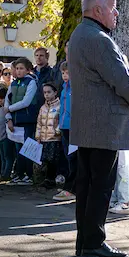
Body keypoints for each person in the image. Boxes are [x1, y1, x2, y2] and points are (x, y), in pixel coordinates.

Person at [69, 0, 129, 257]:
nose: (117, 13)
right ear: (98, 10)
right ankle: (94, 241)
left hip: (88, 125)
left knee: (87, 186)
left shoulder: (79, 35)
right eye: (113, 8)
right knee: (101, 186)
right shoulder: (99, 39)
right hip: (105, 126)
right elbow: (123, 81)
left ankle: (85, 241)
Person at [5, 57, 39, 186]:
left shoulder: (31, 82)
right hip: (16, 121)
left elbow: (26, 101)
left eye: (21, 68)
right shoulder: (14, 83)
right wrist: (8, 117)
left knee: (28, 148)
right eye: (17, 68)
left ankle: (29, 175)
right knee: (18, 149)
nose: (18, 71)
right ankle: (19, 174)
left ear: (28, 70)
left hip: (28, 120)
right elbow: (8, 100)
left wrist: (9, 108)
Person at [53, 61, 77, 201]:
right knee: (69, 158)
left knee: (74, 158)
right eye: (63, 73)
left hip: (73, 127)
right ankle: (69, 186)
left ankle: (72, 188)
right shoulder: (64, 88)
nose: (65, 75)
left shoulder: (75, 88)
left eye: (68, 72)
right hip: (64, 126)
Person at [35, 83, 62, 188]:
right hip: (44, 138)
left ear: (55, 92)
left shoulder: (59, 106)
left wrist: (58, 131)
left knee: (53, 160)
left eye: (49, 92)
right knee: (45, 159)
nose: (46, 95)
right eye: (44, 92)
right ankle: (46, 179)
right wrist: (38, 136)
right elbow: (39, 123)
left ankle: (52, 179)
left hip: (54, 138)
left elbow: (60, 120)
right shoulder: (43, 108)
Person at [0, 88, 17, 181]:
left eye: (2, 98)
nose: (1, 101)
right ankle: (3, 173)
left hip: (7, 137)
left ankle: (6, 174)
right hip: (0, 137)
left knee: (8, 157)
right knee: (3, 157)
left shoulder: (9, 109)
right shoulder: (0, 110)